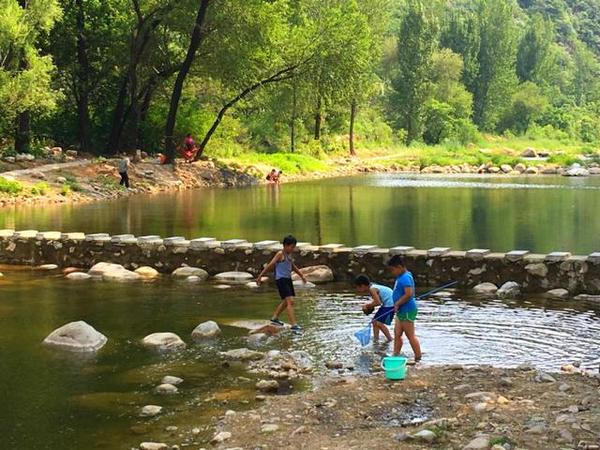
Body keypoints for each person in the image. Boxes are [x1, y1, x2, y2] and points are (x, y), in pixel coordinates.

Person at [256, 235, 307, 332]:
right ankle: (294, 325)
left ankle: (274, 318)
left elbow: (292, 266)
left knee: (285, 301)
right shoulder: (280, 254)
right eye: (292, 247)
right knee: (290, 301)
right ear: (285, 245)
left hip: (288, 279)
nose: (293, 249)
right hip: (281, 280)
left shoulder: (289, 255)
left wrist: (302, 275)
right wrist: (260, 276)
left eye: (294, 247)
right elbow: (270, 265)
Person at [388, 255, 422, 363]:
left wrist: (397, 303)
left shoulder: (405, 277)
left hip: (407, 310)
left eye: (393, 270)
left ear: (399, 267)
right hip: (401, 310)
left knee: (410, 335)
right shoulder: (402, 276)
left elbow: (409, 294)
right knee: (397, 333)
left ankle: (418, 357)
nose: (392, 272)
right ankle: (395, 354)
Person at [355, 275, 394, 343]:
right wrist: (369, 305)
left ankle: (390, 339)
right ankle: (376, 340)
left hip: (390, 304)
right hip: (387, 303)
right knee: (374, 321)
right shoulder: (372, 286)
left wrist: (367, 305)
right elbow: (377, 301)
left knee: (378, 323)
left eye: (357, 287)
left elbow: (378, 302)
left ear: (363, 286)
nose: (357, 289)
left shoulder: (372, 289)